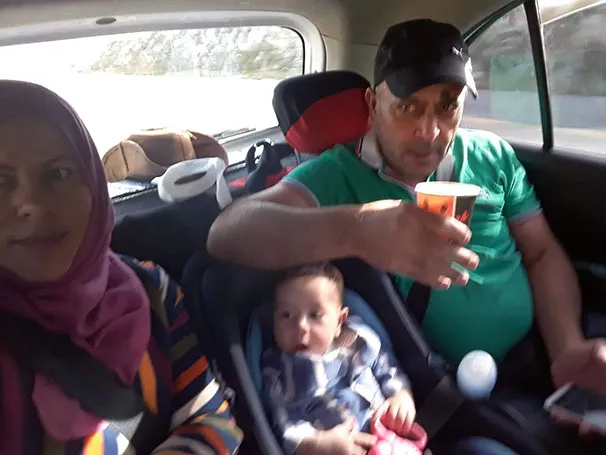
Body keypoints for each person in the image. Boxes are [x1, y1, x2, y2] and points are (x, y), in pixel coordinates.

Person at [208, 18, 606, 452]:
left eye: (448, 106)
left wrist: (567, 347)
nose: (430, 131)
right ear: (372, 104)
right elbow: (228, 232)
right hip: (449, 394)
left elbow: (541, 252)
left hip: (547, 344)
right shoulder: (333, 176)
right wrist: (357, 228)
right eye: (409, 107)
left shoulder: (492, 154)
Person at [0, 80, 243, 454]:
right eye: (1, 181)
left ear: (93, 184)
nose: (30, 204)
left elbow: (211, 417)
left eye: (58, 174)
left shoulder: (152, 288)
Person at [262, 263, 517, 455]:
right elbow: (284, 423)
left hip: (395, 440)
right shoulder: (279, 370)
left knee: (480, 448)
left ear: (340, 321)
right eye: (286, 315)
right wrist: (318, 445)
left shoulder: (359, 338)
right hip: (343, 447)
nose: (300, 327)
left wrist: (401, 396)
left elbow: (389, 370)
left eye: (315, 315)